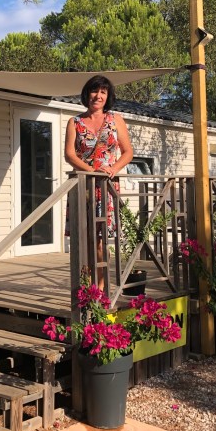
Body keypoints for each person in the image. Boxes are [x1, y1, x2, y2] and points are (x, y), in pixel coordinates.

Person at [65, 75, 133, 288]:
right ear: (87, 94)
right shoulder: (74, 122)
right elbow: (70, 155)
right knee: (84, 239)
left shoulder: (116, 120)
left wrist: (113, 169)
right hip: (83, 186)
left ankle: (100, 288)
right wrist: (92, 171)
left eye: (103, 92)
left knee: (101, 240)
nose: (98, 96)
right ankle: (86, 286)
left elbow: (128, 152)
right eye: (95, 91)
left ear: (108, 96)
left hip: (106, 188)